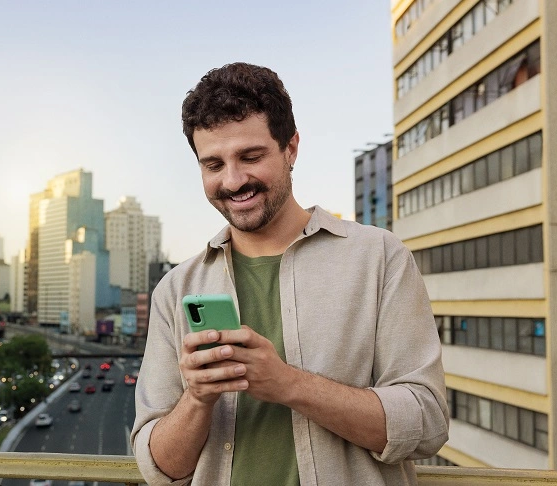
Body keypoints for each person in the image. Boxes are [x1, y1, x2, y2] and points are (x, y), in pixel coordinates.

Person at [131, 62, 448, 485]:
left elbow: (426, 423)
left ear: (291, 148)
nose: (233, 180)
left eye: (251, 156)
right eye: (213, 165)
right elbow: (160, 469)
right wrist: (198, 398)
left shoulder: (379, 257)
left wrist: (286, 384)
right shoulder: (176, 290)